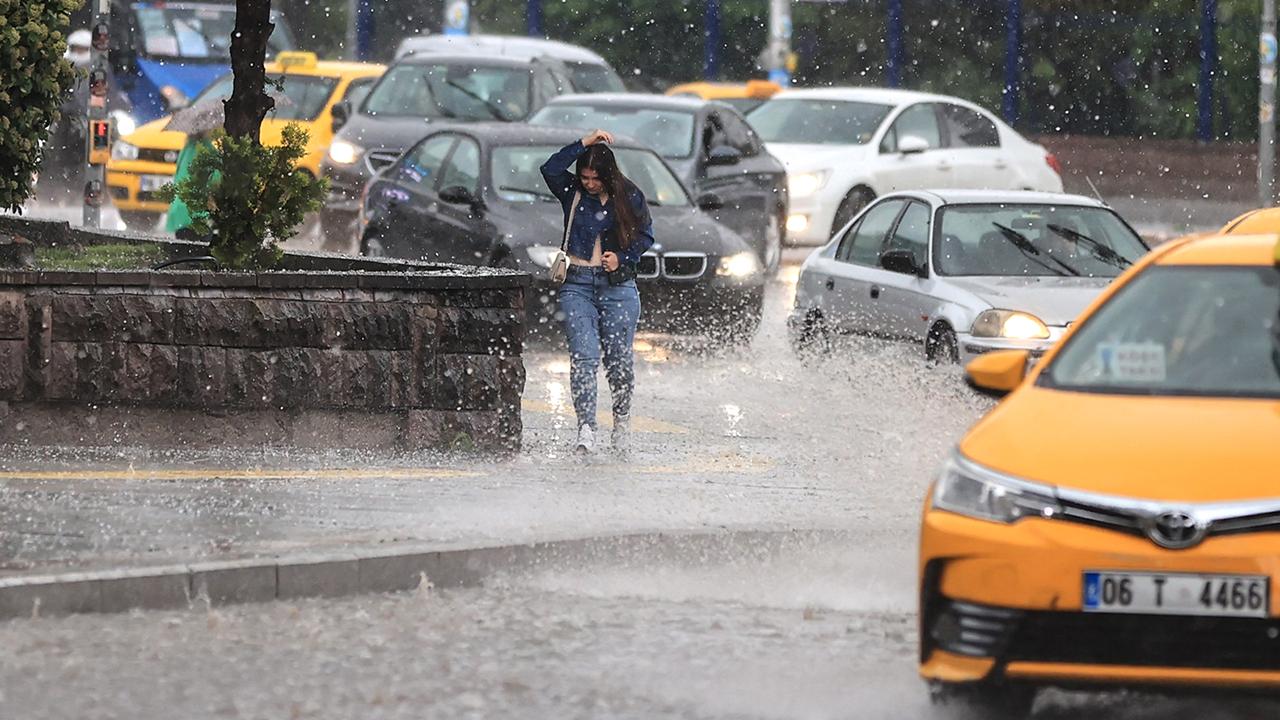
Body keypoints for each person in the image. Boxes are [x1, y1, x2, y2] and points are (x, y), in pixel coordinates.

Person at [541, 129, 655, 455]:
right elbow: (549, 168)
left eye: (595, 178)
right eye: (585, 176)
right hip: (576, 285)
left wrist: (623, 256)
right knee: (583, 359)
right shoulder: (572, 192)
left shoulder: (629, 195)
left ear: (608, 174)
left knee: (618, 362)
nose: (589, 183)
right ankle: (586, 427)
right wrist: (584, 143)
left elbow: (646, 235)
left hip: (618, 287)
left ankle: (621, 421)